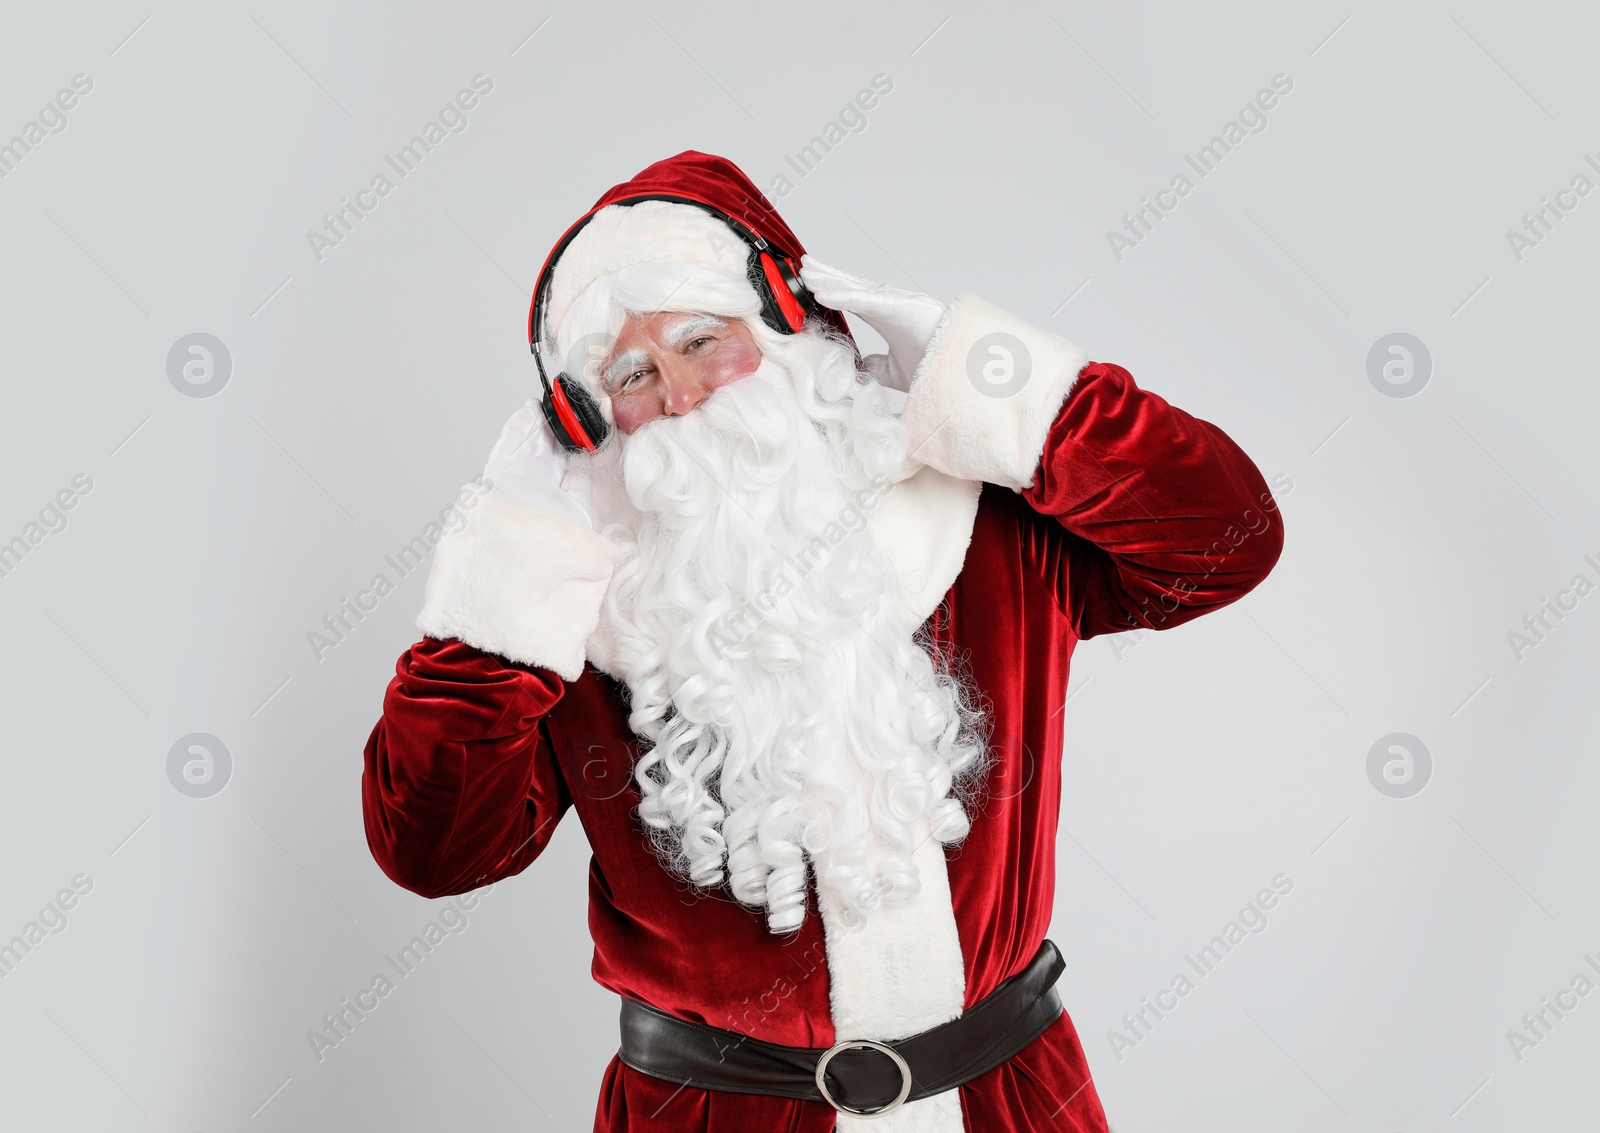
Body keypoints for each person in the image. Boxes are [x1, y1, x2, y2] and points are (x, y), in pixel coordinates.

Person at [362, 151, 1284, 1132]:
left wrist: (979, 374)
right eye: (631, 373)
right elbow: (437, 848)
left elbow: (1225, 536)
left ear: (781, 325)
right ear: (594, 420)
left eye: (701, 338)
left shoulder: (980, 522)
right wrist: (510, 563)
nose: (681, 395)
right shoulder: (573, 619)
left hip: (1006, 1100)